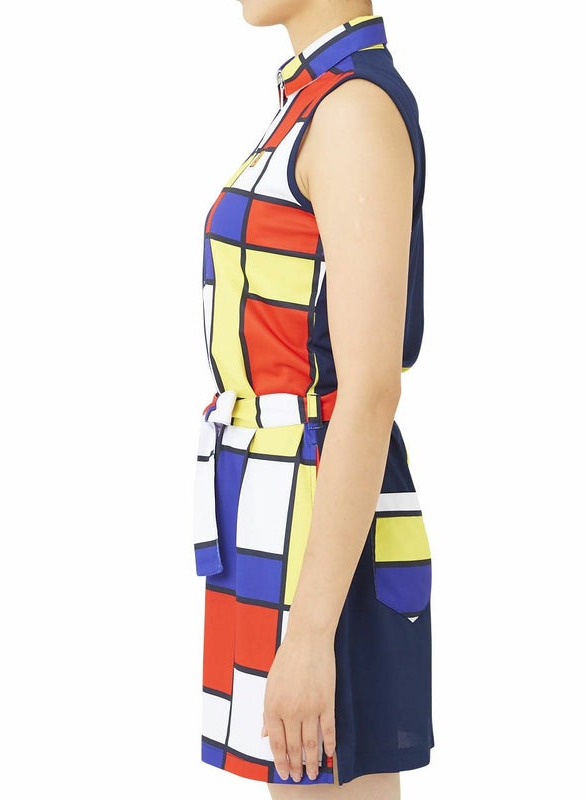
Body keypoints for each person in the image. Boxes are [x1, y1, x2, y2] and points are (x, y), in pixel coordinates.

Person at [192, 2, 434, 796]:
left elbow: (370, 387)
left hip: (320, 513)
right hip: (277, 502)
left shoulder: (351, 109)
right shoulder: (313, 100)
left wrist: (310, 633)